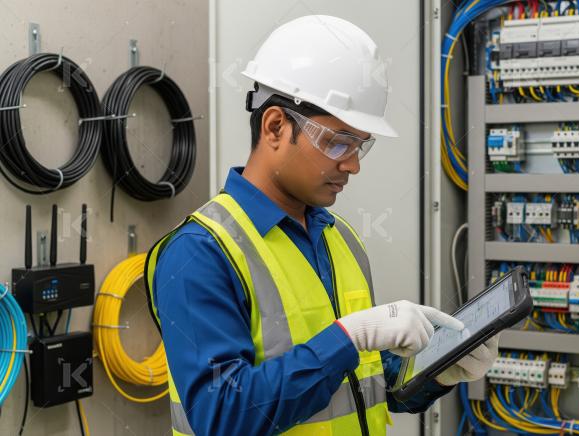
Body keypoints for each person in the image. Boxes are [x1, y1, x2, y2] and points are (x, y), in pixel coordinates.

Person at [145, 15, 498, 436]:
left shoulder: (339, 236)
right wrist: (348, 337)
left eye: (359, 145)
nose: (352, 165)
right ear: (275, 126)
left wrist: (439, 368)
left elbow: (364, 384)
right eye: (337, 142)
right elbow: (222, 415)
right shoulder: (199, 252)